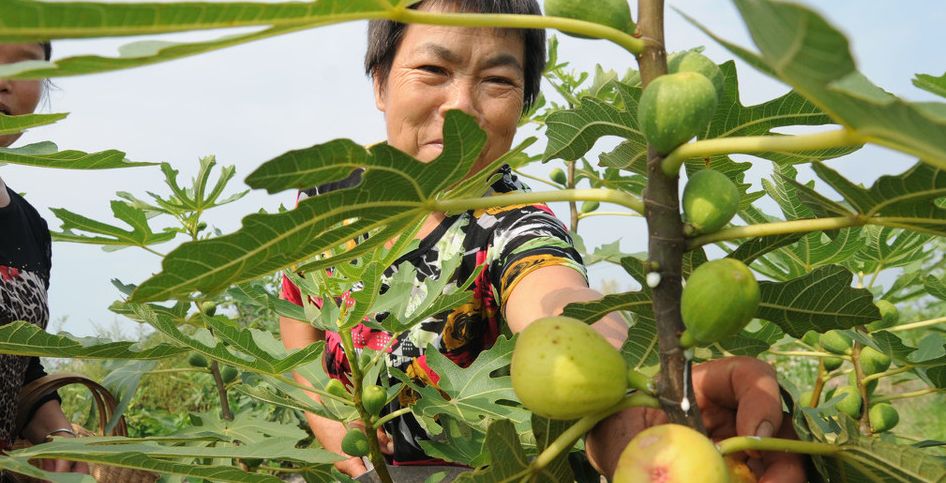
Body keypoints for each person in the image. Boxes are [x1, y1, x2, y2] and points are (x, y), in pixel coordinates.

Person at [279, 1, 806, 481]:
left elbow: (560, 306)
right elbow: (298, 316)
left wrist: (635, 402)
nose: (461, 106)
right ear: (380, 83)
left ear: (524, 103)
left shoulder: (518, 225)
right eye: (433, 70)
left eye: (497, 80)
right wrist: (335, 430)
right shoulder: (332, 190)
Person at [0, 41, 89, 478]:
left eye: (25, 63)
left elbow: (19, 367)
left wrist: (58, 434)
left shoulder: (31, 227)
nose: (3, 79)